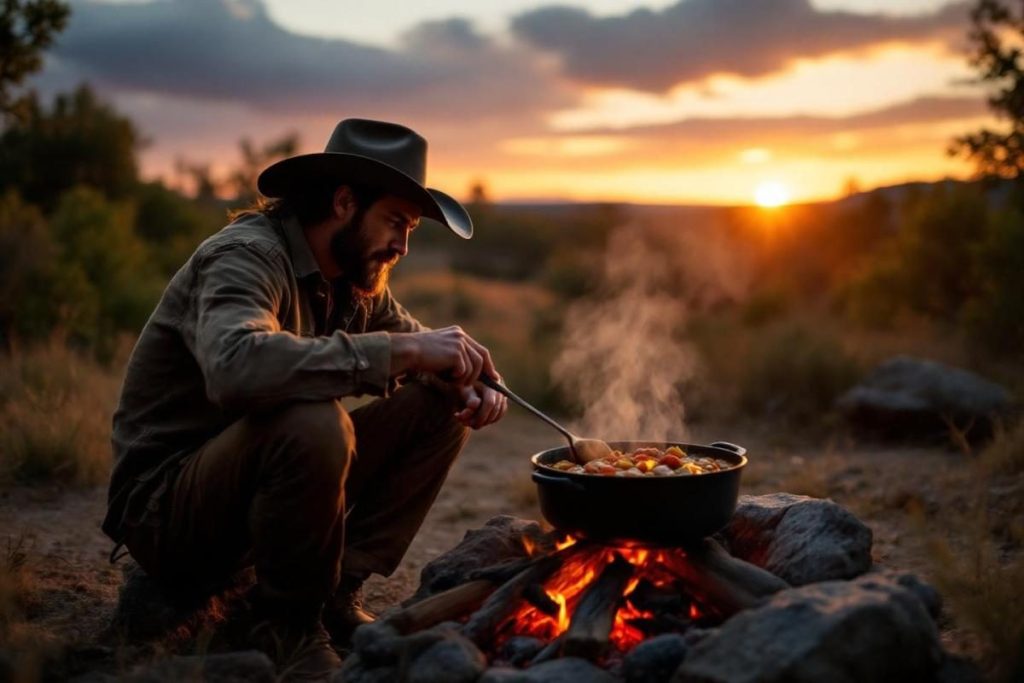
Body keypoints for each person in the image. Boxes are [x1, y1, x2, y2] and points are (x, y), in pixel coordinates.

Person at [102, 119, 508, 679]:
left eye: (411, 229)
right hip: (170, 511)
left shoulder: (354, 278)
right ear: (344, 202)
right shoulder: (246, 257)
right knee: (313, 419)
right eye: (396, 222)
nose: (403, 246)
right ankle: (284, 627)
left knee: (437, 404)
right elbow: (235, 367)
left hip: (254, 491)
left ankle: (333, 591)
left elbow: (415, 351)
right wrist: (408, 350)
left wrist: (468, 377)